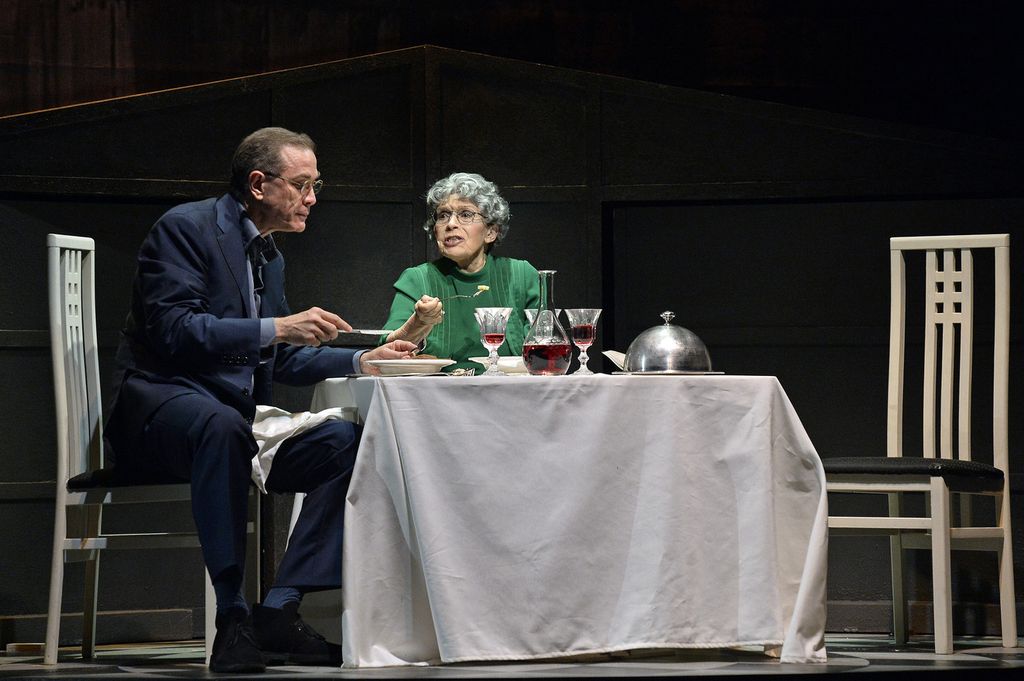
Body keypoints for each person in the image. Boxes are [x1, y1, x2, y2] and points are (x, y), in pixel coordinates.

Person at [103, 127, 417, 673]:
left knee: (352, 441)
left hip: (232, 419)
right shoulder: (185, 228)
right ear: (258, 184)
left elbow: (281, 359)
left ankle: (281, 605)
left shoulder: (268, 257)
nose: (312, 199)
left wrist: (363, 361)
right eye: (301, 185)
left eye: (316, 185)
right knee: (221, 426)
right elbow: (176, 331)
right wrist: (274, 326)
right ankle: (232, 617)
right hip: (159, 411)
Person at [380, 172, 539, 371]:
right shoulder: (416, 279)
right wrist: (418, 323)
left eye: (465, 214)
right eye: (443, 215)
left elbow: (545, 345)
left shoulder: (522, 275)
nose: (451, 224)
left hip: (513, 392)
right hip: (435, 394)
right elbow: (387, 351)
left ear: (491, 232)